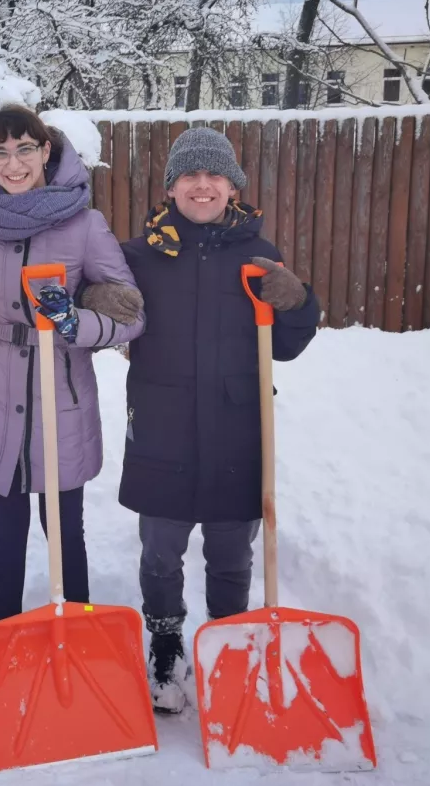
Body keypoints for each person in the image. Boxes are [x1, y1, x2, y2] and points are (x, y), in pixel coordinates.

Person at [84, 126, 320, 714]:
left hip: (238, 424)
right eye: (190, 175)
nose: (203, 185)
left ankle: (228, 640)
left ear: (233, 186)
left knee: (231, 550)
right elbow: (104, 315)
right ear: (171, 188)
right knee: (161, 547)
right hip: (162, 421)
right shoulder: (140, 255)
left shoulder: (258, 256)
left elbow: (286, 347)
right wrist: (93, 299)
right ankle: (165, 642)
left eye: (214, 174)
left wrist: (297, 301)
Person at [0, 104, 145, 623]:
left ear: (45, 152)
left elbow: (132, 313)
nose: (13, 164)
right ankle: (7, 628)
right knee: (5, 529)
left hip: (60, 394)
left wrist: (73, 323)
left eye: (24, 150)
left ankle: (78, 626)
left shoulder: (85, 224)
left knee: (64, 529)